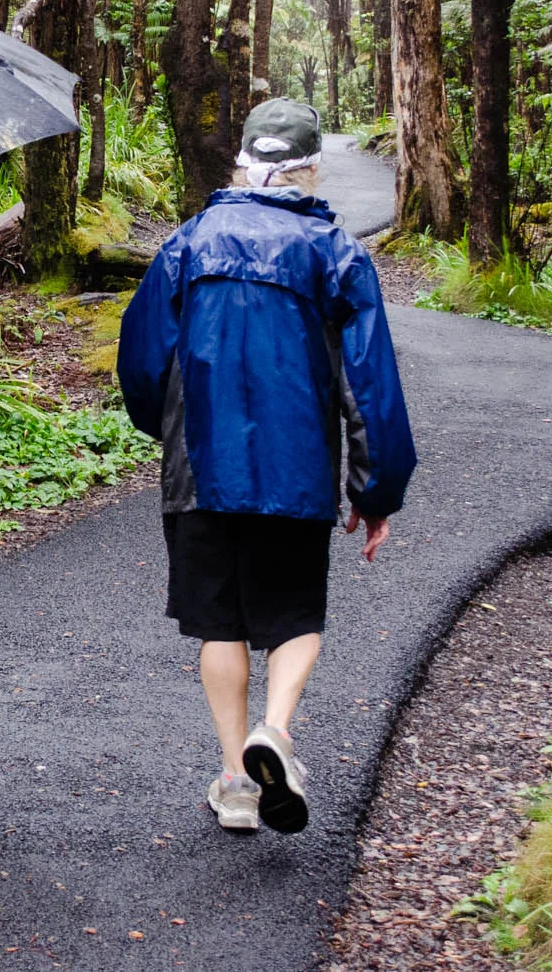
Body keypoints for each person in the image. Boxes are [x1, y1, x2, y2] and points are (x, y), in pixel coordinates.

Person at [117, 99, 416, 834]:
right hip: (297, 471)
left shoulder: (186, 244)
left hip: (201, 468)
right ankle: (275, 731)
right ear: (311, 168)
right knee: (294, 614)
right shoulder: (335, 252)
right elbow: (368, 381)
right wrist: (374, 489)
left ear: (244, 162)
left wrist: (170, 430)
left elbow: (143, 361)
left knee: (219, 619)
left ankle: (235, 779)